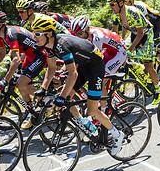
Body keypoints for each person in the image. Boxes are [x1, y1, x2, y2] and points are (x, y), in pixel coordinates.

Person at [31, 15, 124, 155]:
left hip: (95, 68)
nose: (34, 37)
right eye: (33, 33)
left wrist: (62, 96)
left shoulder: (62, 45)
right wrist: (43, 89)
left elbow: (72, 74)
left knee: (92, 110)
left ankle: (117, 135)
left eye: (37, 33)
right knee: (66, 99)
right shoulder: (48, 46)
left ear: (49, 34)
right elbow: (51, 68)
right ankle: (86, 125)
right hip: (83, 66)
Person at [0, 11, 49, 129]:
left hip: (40, 55)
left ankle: (47, 99)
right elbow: (1, 54)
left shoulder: (10, 34)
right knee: (20, 85)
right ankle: (33, 113)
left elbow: (16, 59)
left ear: (0, 24)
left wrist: (5, 80)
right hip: (29, 55)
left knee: (21, 83)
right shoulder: (0, 35)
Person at [108, 0, 160, 105]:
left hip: (146, 33)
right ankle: (140, 70)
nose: (111, 7)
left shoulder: (133, 12)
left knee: (148, 63)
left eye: (112, 4)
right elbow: (115, 31)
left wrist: (130, 48)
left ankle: (158, 91)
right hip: (134, 33)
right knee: (124, 53)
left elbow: (140, 33)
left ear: (120, 3)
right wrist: (119, 42)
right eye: (109, 4)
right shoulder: (116, 15)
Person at [70, 16, 127, 122]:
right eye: (75, 34)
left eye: (79, 34)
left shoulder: (97, 37)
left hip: (119, 53)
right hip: (109, 51)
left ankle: (105, 111)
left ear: (87, 29)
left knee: (100, 80)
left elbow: (94, 59)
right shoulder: (86, 33)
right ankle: (108, 97)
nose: (77, 36)